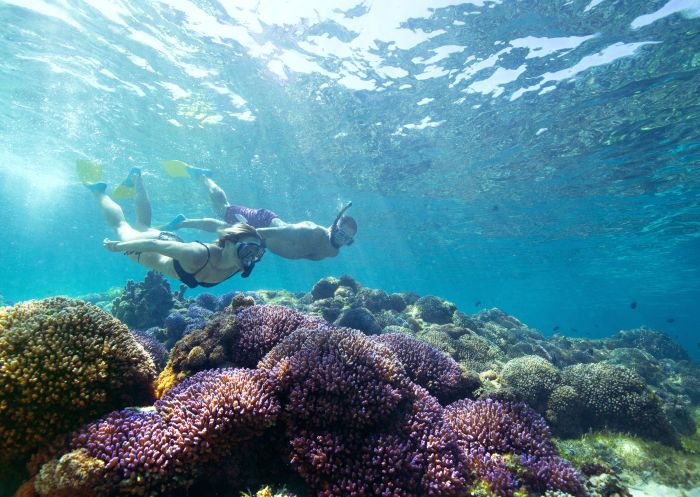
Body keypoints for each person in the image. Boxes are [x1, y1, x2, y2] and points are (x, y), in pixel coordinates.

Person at [85, 167, 266, 288]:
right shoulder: (197, 255)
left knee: (142, 224)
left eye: (257, 253)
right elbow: (153, 246)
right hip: (144, 249)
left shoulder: (238, 263)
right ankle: (98, 191)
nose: (250, 258)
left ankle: (136, 178)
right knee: (120, 225)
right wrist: (118, 247)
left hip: (172, 243)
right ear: (228, 243)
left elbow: (221, 226)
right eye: (248, 250)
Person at [161, 162, 357, 261]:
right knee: (223, 210)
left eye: (347, 239)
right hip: (262, 223)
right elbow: (274, 232)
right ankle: (202, 176)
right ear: (333, 226)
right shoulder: (311, 231)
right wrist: (239, 235)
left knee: (223, 223)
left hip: (264, 237)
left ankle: (182, 221)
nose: (342, 240)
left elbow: (305, 254)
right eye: (341, 233)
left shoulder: (333, 252)